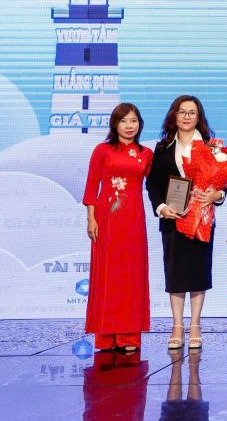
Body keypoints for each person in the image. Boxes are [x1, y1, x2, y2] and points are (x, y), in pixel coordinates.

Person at [147, 95, 225, 350]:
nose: (187, 117)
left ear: (198, 117)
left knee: (198, 272)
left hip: (201, 219)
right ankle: (177, 325)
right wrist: (161, 208)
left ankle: (195, 325)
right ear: (174, 115)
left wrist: (216, 195)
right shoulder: (162, 148)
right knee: (175, 272)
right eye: (182, 112)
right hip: (173, 218)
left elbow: (223, 184)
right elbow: (153, 185)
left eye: (192, 112)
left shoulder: (212, 147)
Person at [83, 103, 153, 353]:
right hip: (106, 220)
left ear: (139, 124)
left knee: (131, 276)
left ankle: (129, 336)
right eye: (123, 121)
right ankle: (105, 337)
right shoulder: (102, 150)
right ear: (115, 124)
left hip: (133, 221)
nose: (129, 126)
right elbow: (92, 186)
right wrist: (91, 219)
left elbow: (157, 185)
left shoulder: (146, 154)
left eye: (133, 121)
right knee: (107, 275)